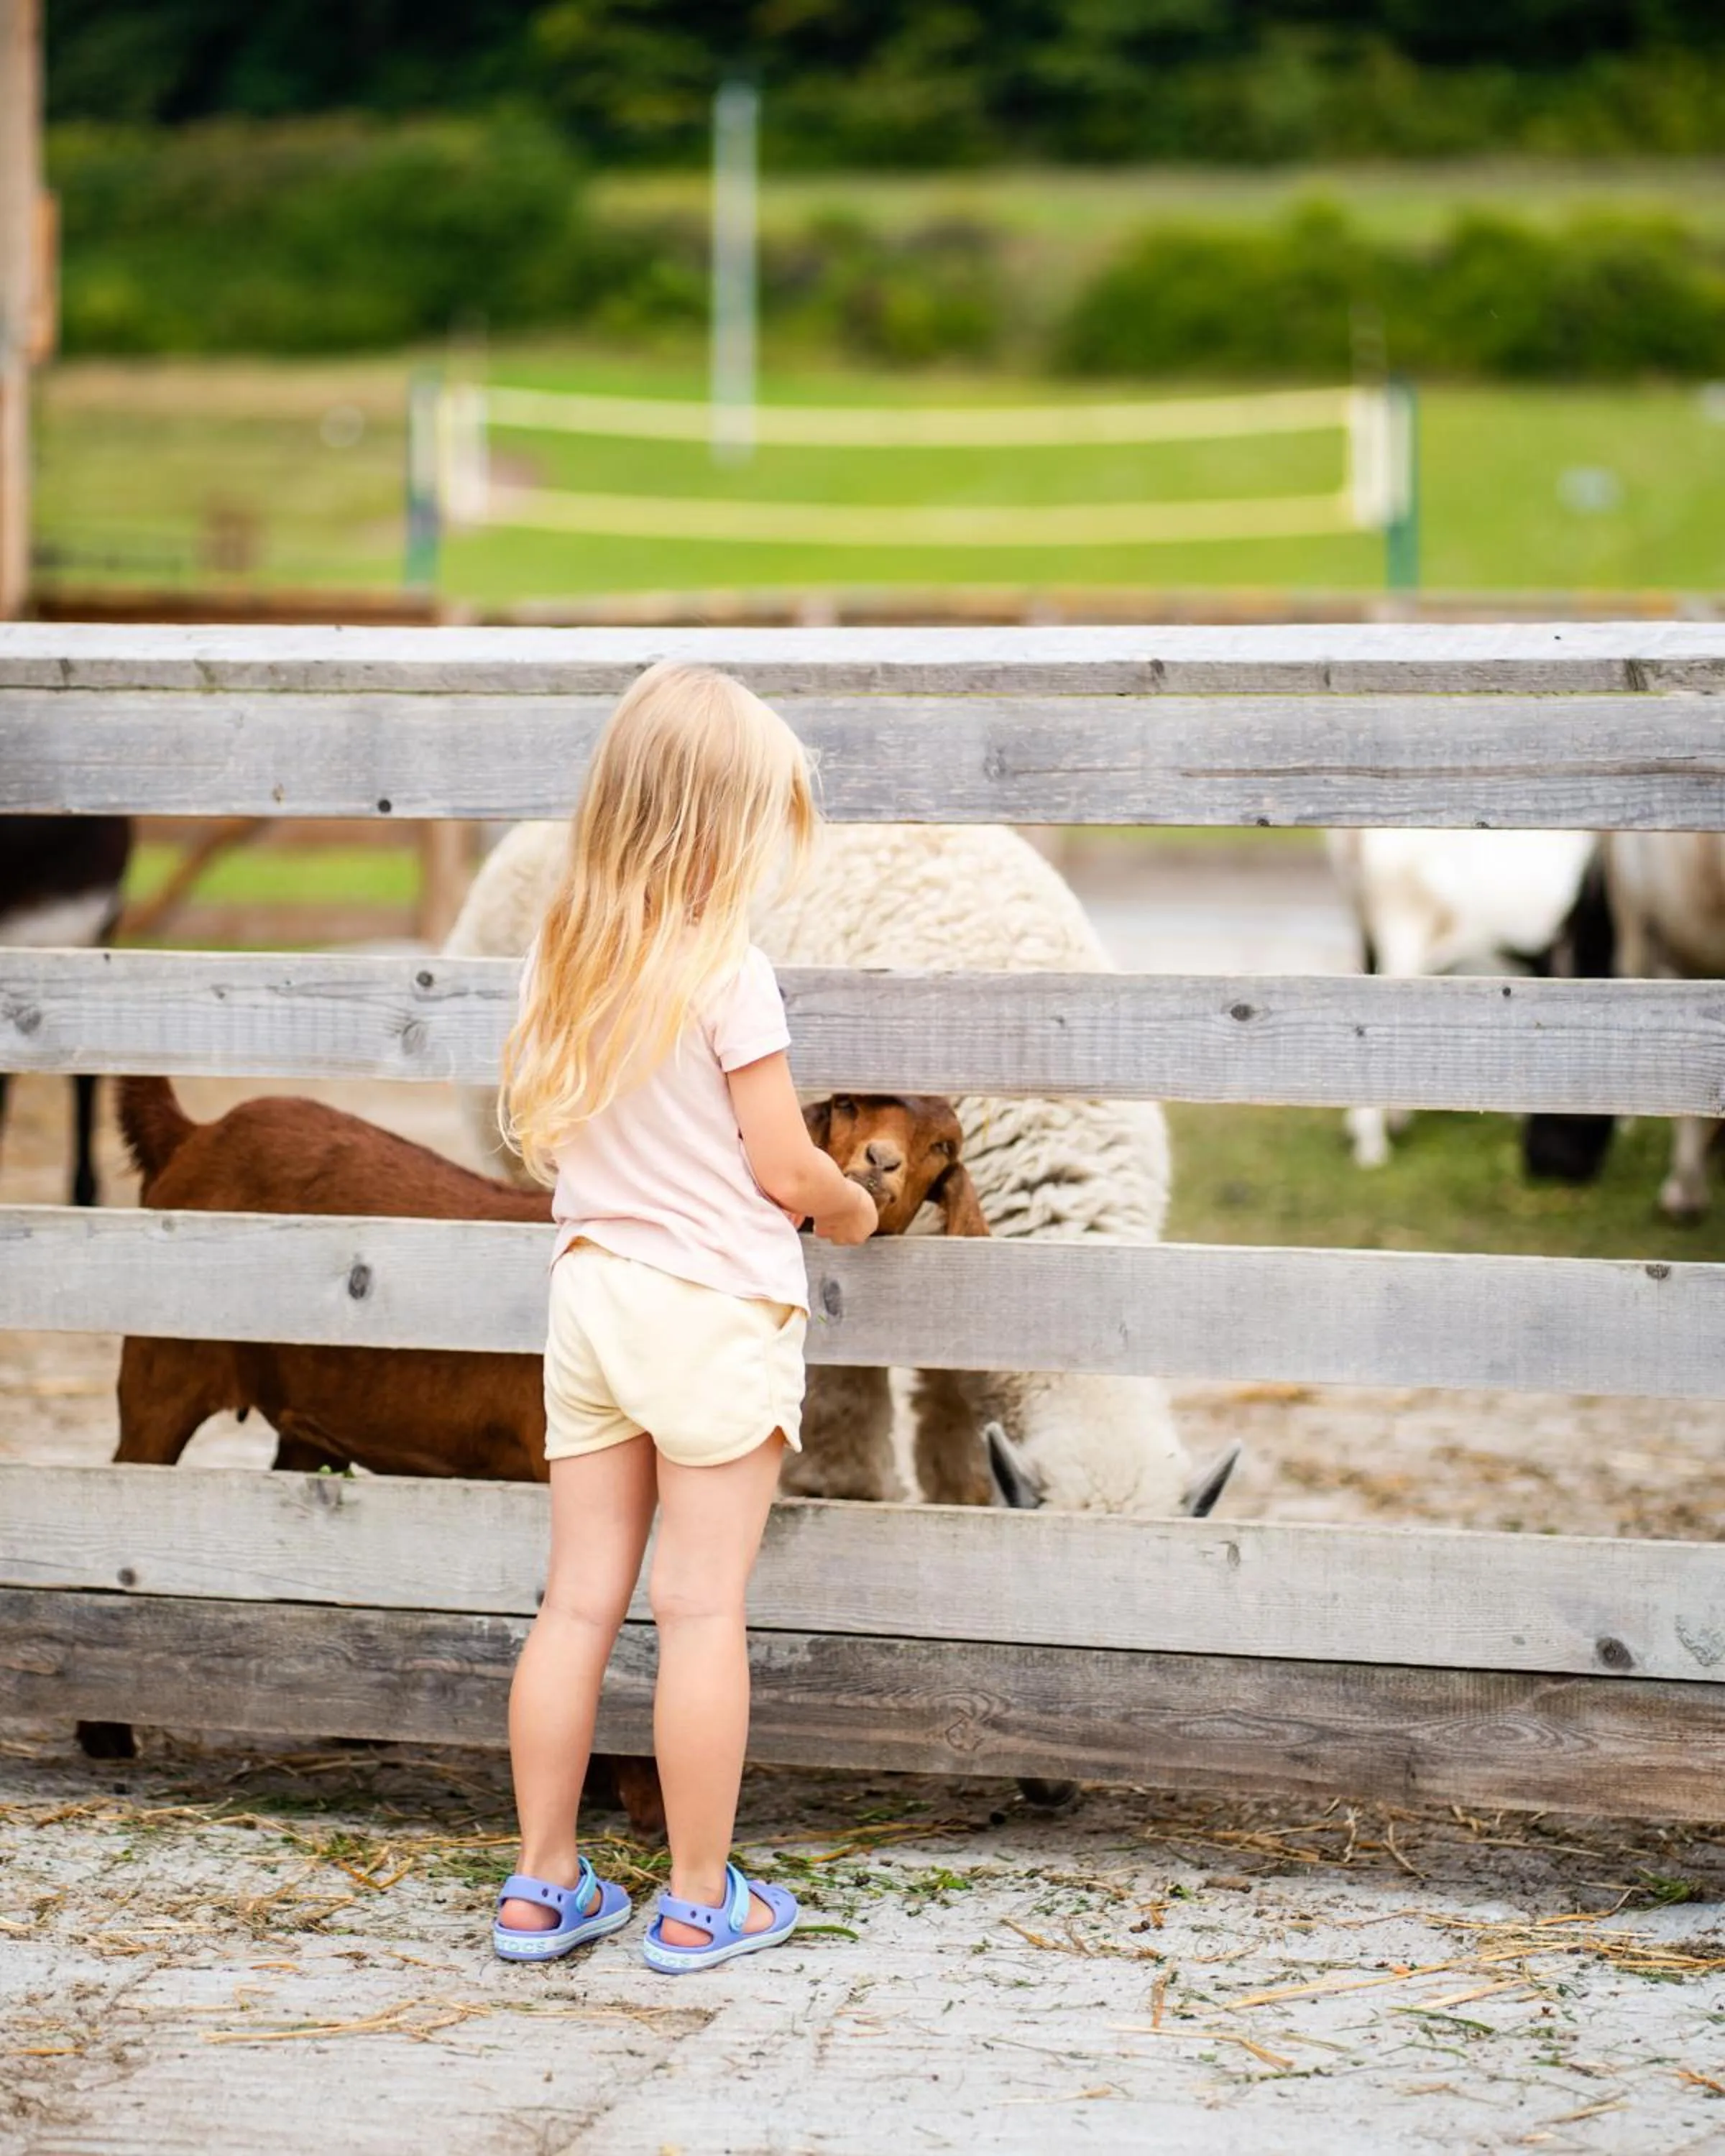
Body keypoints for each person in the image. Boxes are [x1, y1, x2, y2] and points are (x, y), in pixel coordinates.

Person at [491, 660, 878, 1973]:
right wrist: (848, 1207)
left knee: (578, 1603)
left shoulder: (568, 945)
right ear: (719, 827)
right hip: (712, 1307)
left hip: (591, 1299)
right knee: (701, 1609)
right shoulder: (730, 970)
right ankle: (702, 1899)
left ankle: (543, 1886)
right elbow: (780, 1165)